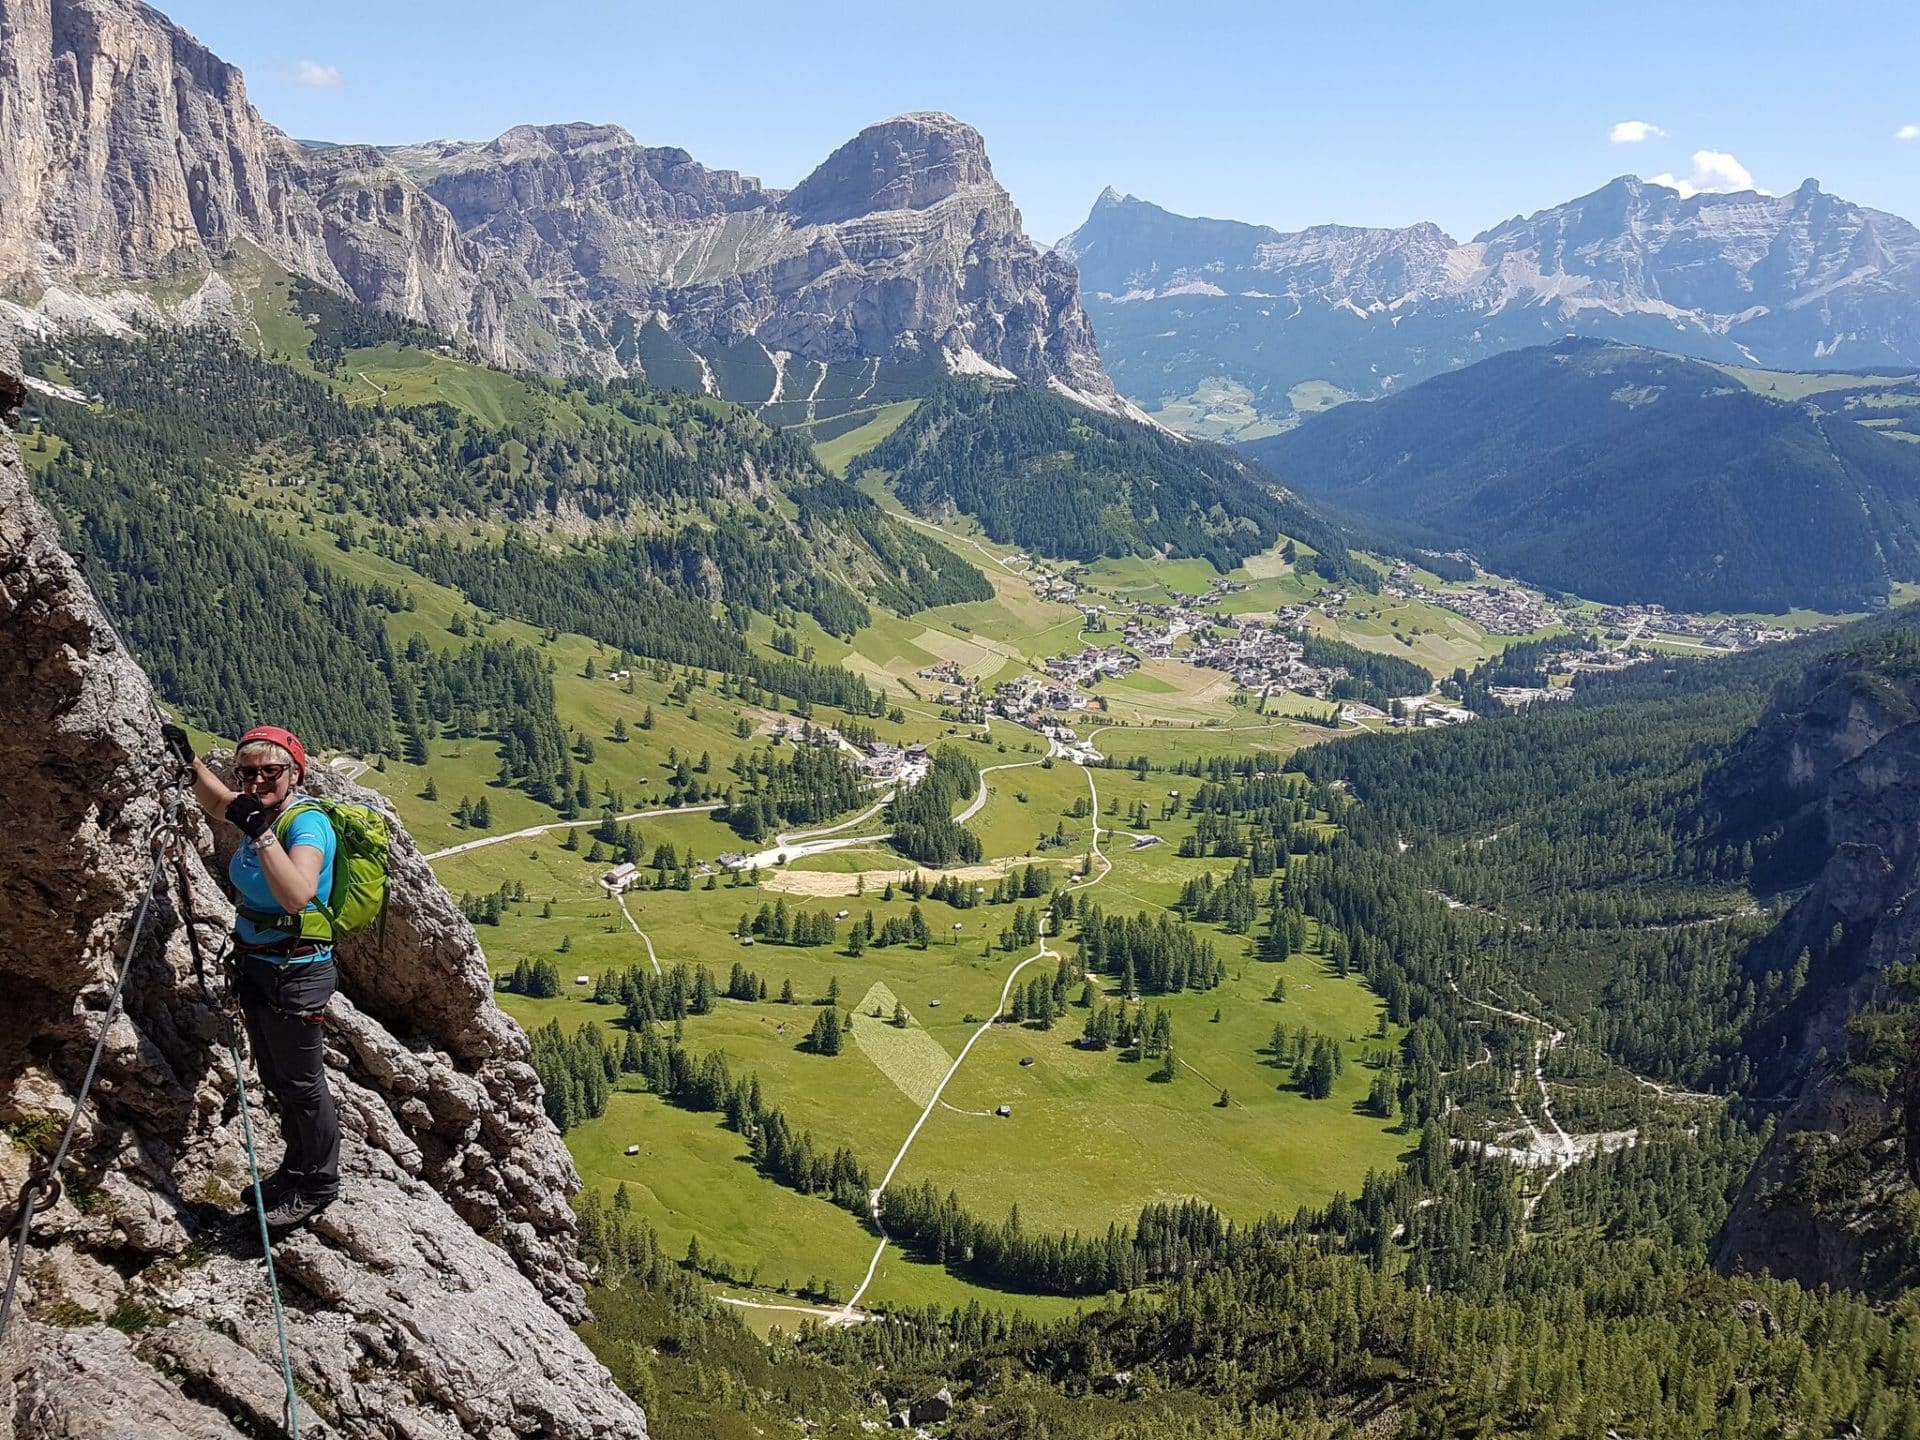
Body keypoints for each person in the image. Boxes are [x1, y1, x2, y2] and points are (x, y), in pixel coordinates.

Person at [164, 722, 341, 1226]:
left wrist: (262, 834)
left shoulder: (305, 825)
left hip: (297, 971)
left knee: (303, 1084)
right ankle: (294, 1168)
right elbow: (221, 806)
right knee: (277, 1079)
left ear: (295, 773)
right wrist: (191, 764)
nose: (258, 781)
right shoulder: (260, 810)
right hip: (261, 964)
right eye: (248, 772)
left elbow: (296, 895)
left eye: (271, 770)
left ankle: (319, 1183)